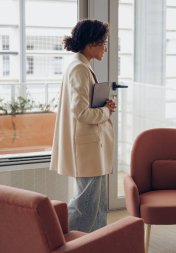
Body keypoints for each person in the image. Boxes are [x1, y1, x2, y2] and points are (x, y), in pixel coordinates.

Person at [50, 19, 116, 232]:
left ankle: (96, 242)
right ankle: (59, 239)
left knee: (97, 205)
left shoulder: (80, 66)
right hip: (87, 150)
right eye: (103, 43)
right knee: (85, 205)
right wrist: (105, 111)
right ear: (91, 44)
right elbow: (81, 113)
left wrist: (103, 104)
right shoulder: (79, 69)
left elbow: (83, 105)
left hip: (90, 148)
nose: (105, 48)